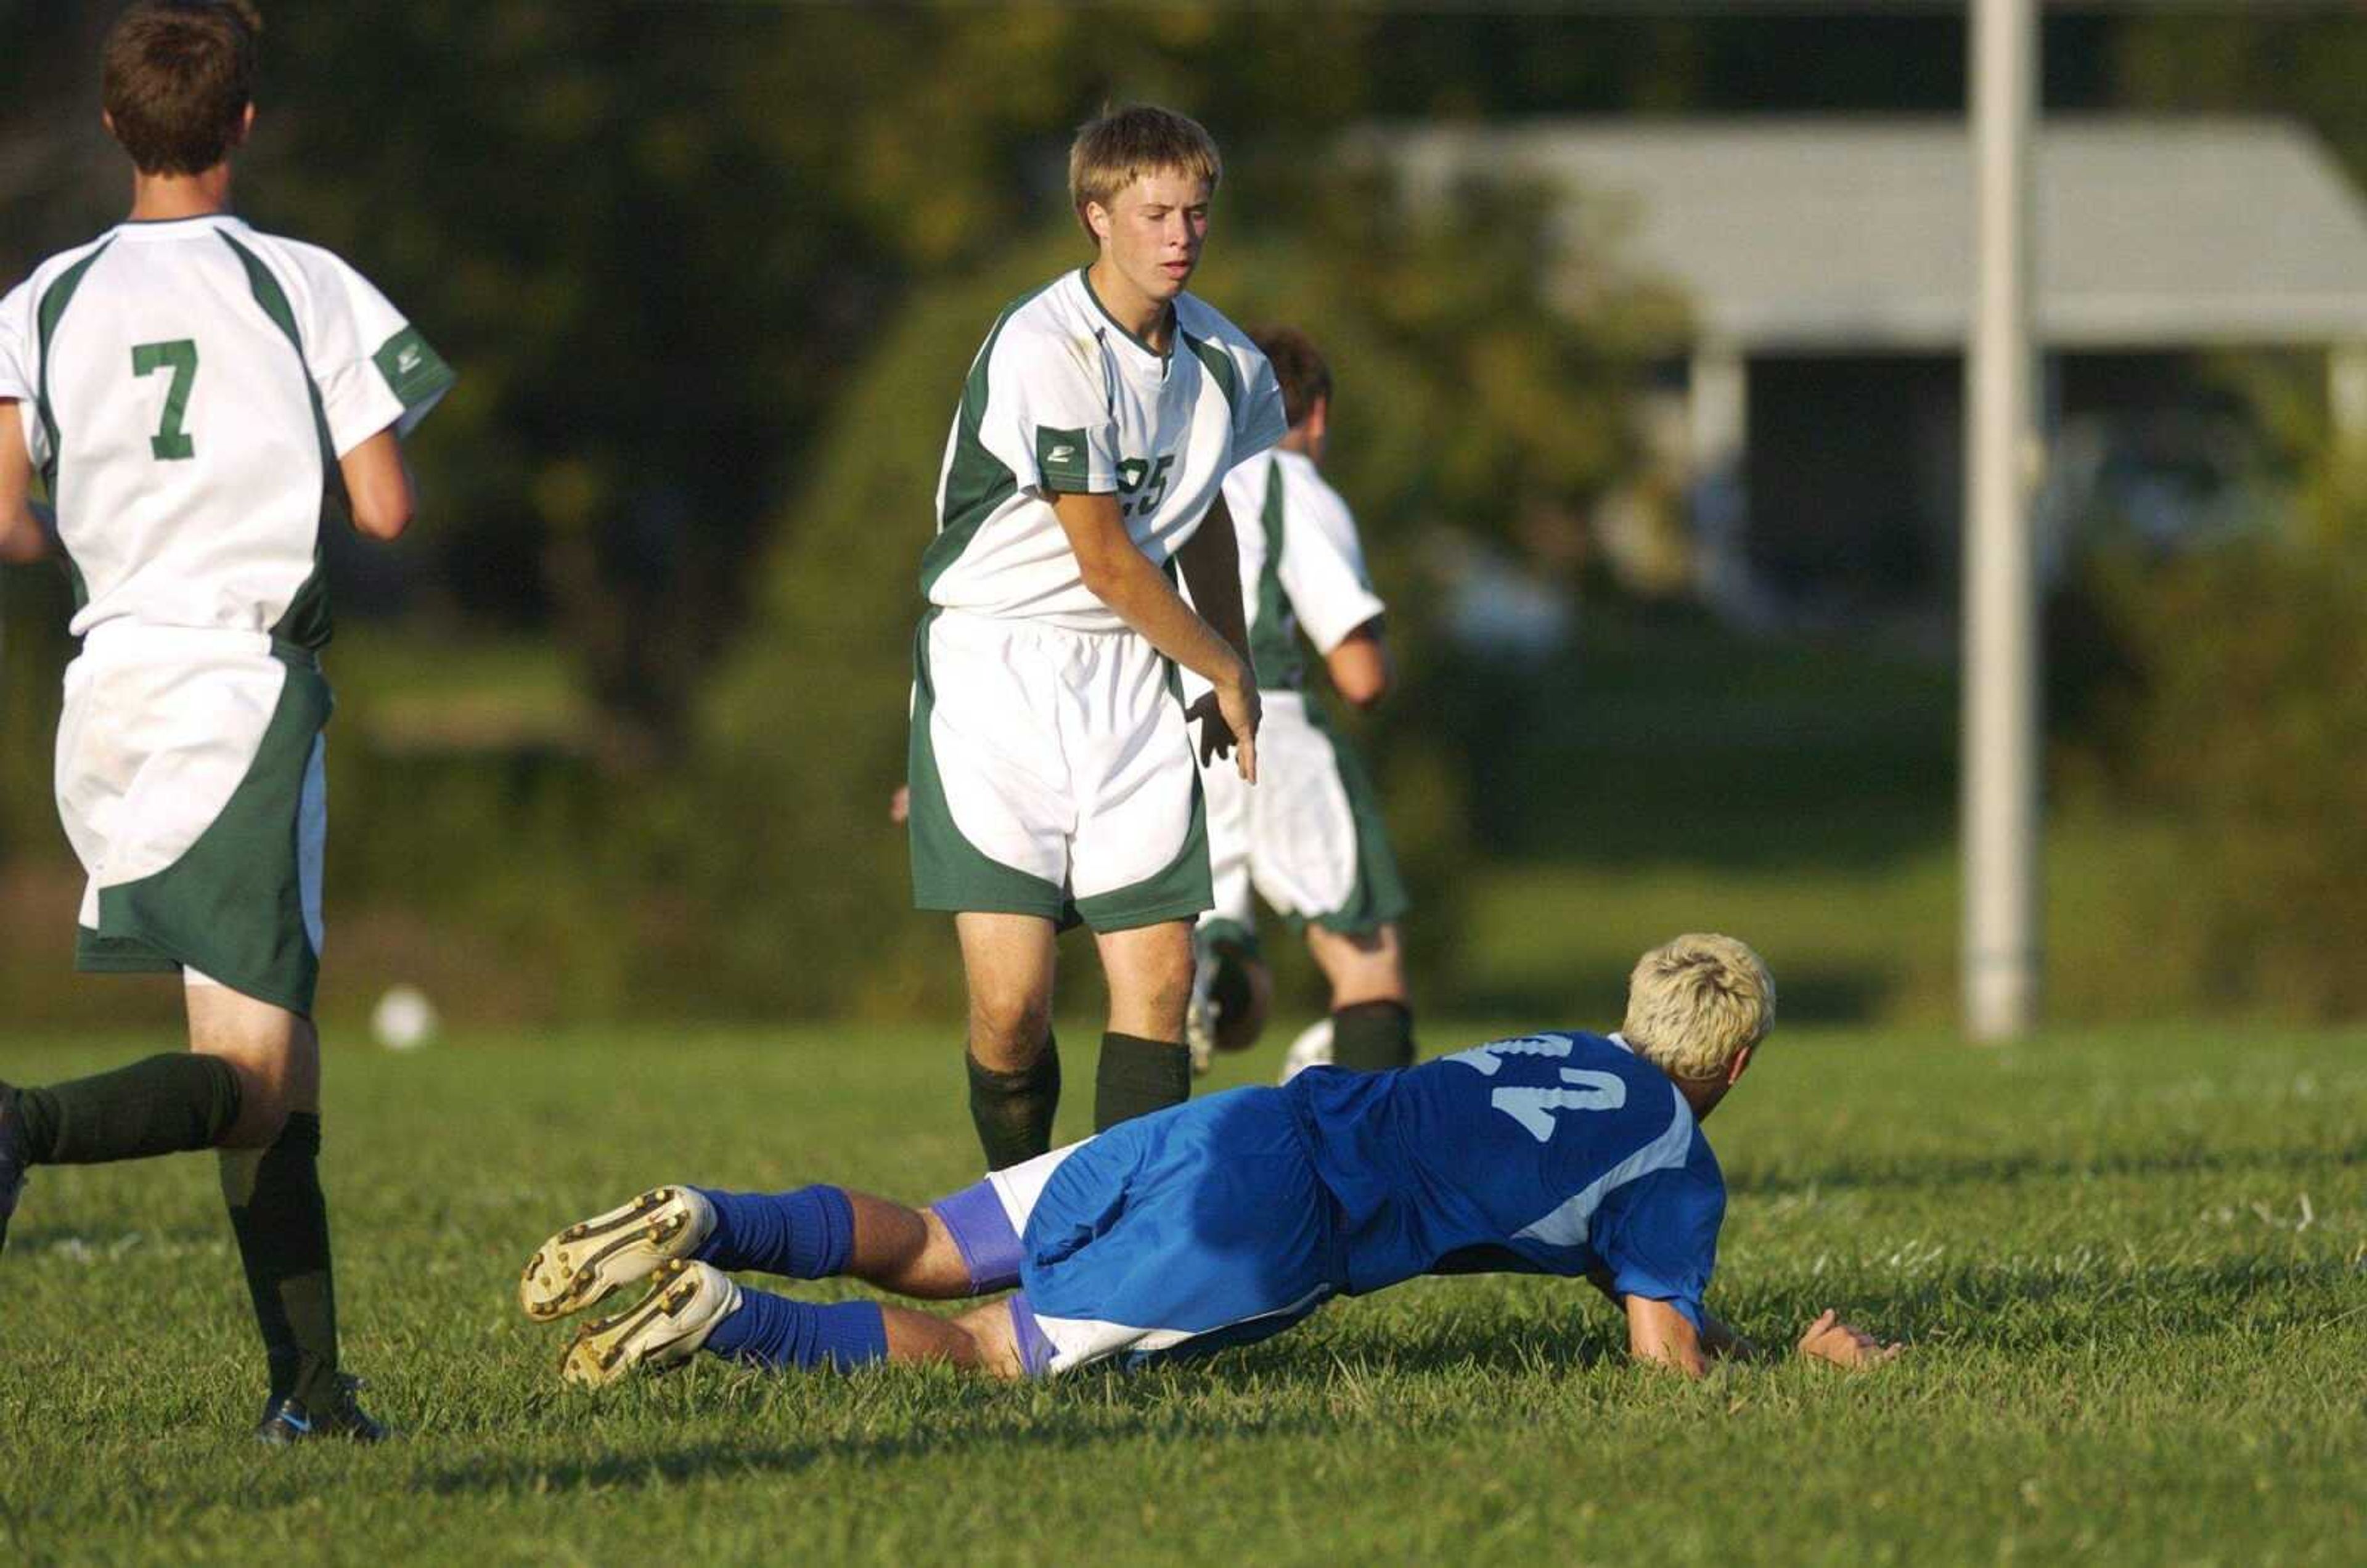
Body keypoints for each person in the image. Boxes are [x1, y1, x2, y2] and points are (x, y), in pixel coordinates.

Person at [0, 0, 454, 1443]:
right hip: (241, 695)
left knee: (275, 1056)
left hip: (108, 692)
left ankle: (311, 1395)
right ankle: (21, 1127)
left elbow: (6, 519)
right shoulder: (302, 281)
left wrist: (102, 531)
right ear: (243, 123)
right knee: (251, 1084)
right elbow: (382, 504)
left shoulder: (46, 298)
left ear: (118, 125)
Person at [518, 934, 1899, 1384]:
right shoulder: (1677, 1156)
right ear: (1734, 1066)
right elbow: (1665, 1355)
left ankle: (708, 1216)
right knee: (998, 1355)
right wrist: (1794, 1365)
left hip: (1247, 1115)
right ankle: (723, 1316)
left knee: (940, 1245)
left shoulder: (1563, 1046)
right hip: (1278, 1220)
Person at [906, 104, 1286, 1172]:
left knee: (1162, 979)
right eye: (1154, 211)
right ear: (1095, 216)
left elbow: (1200, 508)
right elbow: (1109, 560)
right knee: (1012, 1004)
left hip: (1132, 670)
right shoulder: (1047, 344)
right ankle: (1024, 1225)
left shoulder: (1229, 362)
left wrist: (1232, 662)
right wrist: (1215, 660)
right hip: (1000, 666)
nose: (1180, 234)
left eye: (1196, 211)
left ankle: (1125, 1263)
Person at [1185, 327, 1414, 1082]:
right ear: (1314, 418)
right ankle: (1369, 1148)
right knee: (1366, 954)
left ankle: (1212, 974)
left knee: (1224, 966)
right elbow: (1360, 675)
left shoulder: (1174, 476)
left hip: (1163, 729)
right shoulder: (1290, 482)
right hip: (1267, 719)